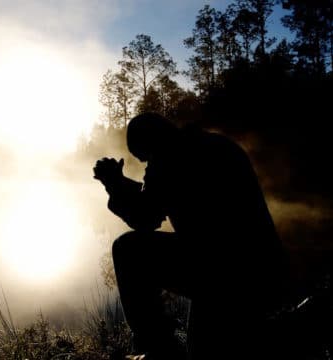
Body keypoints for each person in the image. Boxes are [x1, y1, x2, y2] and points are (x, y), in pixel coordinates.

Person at [93, 113, 289, 359]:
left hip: (221, 272)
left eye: (145, 159)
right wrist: (122, 183)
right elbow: (155, 196)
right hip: (260, 269)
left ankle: (157, 348)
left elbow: (146, 217)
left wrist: (113, 183)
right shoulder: (214, 145)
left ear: (152, 143)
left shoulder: (169, 158)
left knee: (127, 250)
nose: (146, 168)